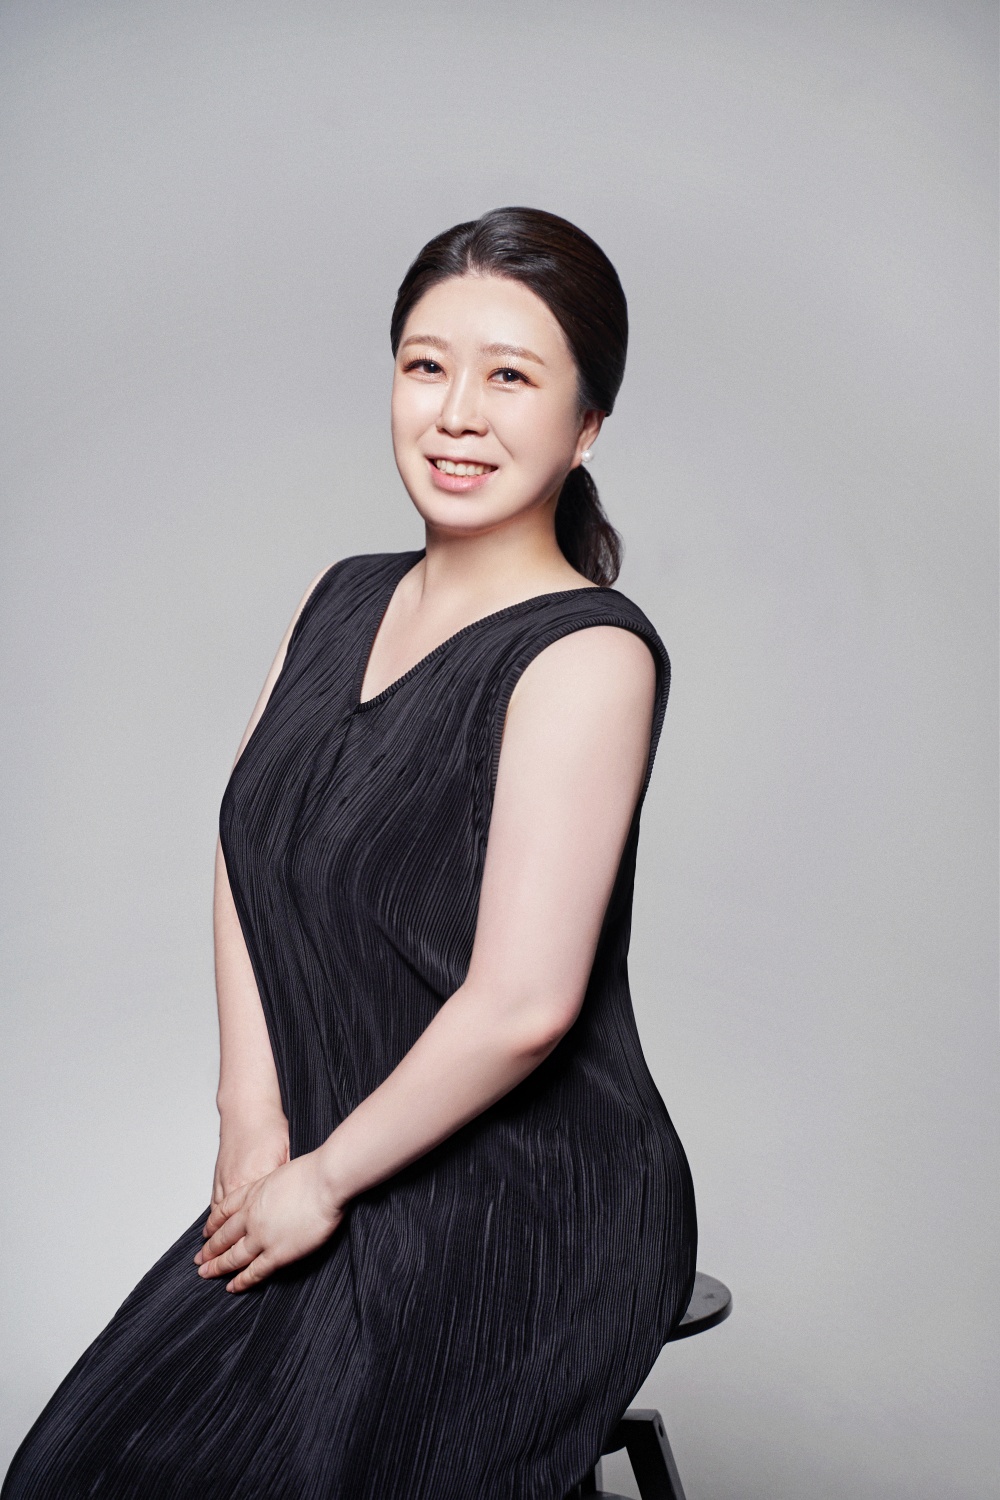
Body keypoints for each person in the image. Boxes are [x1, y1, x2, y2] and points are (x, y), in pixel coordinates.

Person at [2, 206, 697, 1499]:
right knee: (79, 1470)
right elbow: (247, 846)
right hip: (333, 1154)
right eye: (427, 365)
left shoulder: (587, 654)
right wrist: (249, 1115)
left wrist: (321, 1180)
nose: (457, 414)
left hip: (526, 1199)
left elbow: (524, 1006)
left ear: (587, 425)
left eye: (511, 376)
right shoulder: (339, 599)